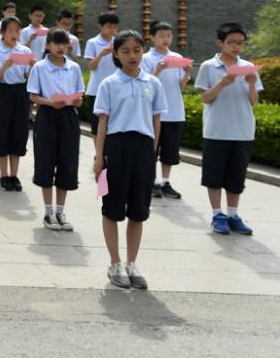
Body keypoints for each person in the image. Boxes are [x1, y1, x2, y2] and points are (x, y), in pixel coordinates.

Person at [93, 30, 166, 289]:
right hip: (117, 146)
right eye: (125, 51)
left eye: (137, 50)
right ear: (115, 54)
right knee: (112, 207)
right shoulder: (109, 84)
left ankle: (131, 263)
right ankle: (115, 262)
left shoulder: (153, 83)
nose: (132, 55)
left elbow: (157, 121)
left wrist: (152, 154)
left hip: (143, 148)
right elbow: (102, 123)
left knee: (139, 210)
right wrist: (99, 158)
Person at [195, 22, 262, 235]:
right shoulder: (208, 66)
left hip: (242, 130)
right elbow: (205, 98)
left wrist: (251, 84)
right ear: (220, 42)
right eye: (231, 42)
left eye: (240, 43)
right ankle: (217, 214)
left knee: (236, 176)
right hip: (216, 130)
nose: (236, 47)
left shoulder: (248, 67)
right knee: (214, 175)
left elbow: (254, 102)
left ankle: (233, 214)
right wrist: (223, 83)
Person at [27, 29, 85, 231]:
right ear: (48, 45)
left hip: (69, 117)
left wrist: (76, 101)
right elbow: (33, 96)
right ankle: (48, 212)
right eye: (56, 43)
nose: (61, 47)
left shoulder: (74, 68)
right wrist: (51, 103)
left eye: (64, 43)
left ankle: (61, 211)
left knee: (67, 162)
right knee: (46, 161)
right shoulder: (40, 67)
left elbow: (80, 95)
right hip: (48, 116)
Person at [142, 21, 190, 199]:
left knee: (170, 151)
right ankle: (151, 181)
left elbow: (181, 86)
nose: (166, 39)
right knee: (152, 149)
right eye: (161, 36)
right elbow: (145, 85)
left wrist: (187, 73)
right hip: (154, 112)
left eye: (168, 36)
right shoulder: (147, 59)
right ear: (152, 37)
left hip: (175, 111)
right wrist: (158, 70)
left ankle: (165, 182)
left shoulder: (177, 57)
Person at [0, 16, 34, 191]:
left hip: (20, 93)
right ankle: (3, 175)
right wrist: (5, 66)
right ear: (3, 33)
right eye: (10, 31)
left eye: (17, 30)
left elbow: (26, 77)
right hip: (3, 93)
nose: (14, 34)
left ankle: (14, 175)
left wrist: (31, 67)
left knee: (19, 132)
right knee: (2, 131)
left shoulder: (24, 50)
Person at [82, 12, 120, 135]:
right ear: (100, 26)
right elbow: (91, 66)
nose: (112, 30)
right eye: (109, 26)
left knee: (115, 123)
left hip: (116, 88)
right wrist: (101, 55)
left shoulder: (119, 42)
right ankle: (99, 153)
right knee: (97, 125)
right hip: (96, 89)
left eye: (114, 27)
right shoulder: (93, 42)